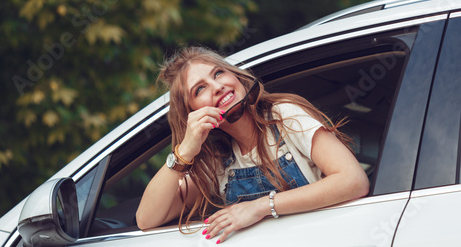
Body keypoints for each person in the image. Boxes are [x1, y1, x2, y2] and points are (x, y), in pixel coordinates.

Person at [136, 46, 369, 243]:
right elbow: (147, 219)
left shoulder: (283, 116)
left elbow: (354, 181)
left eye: (218, 74)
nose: (217, 86)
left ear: (235, 77)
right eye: (200, 89)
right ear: (193, 113)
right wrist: (185, 151)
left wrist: (258, 207)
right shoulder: (217, 162)